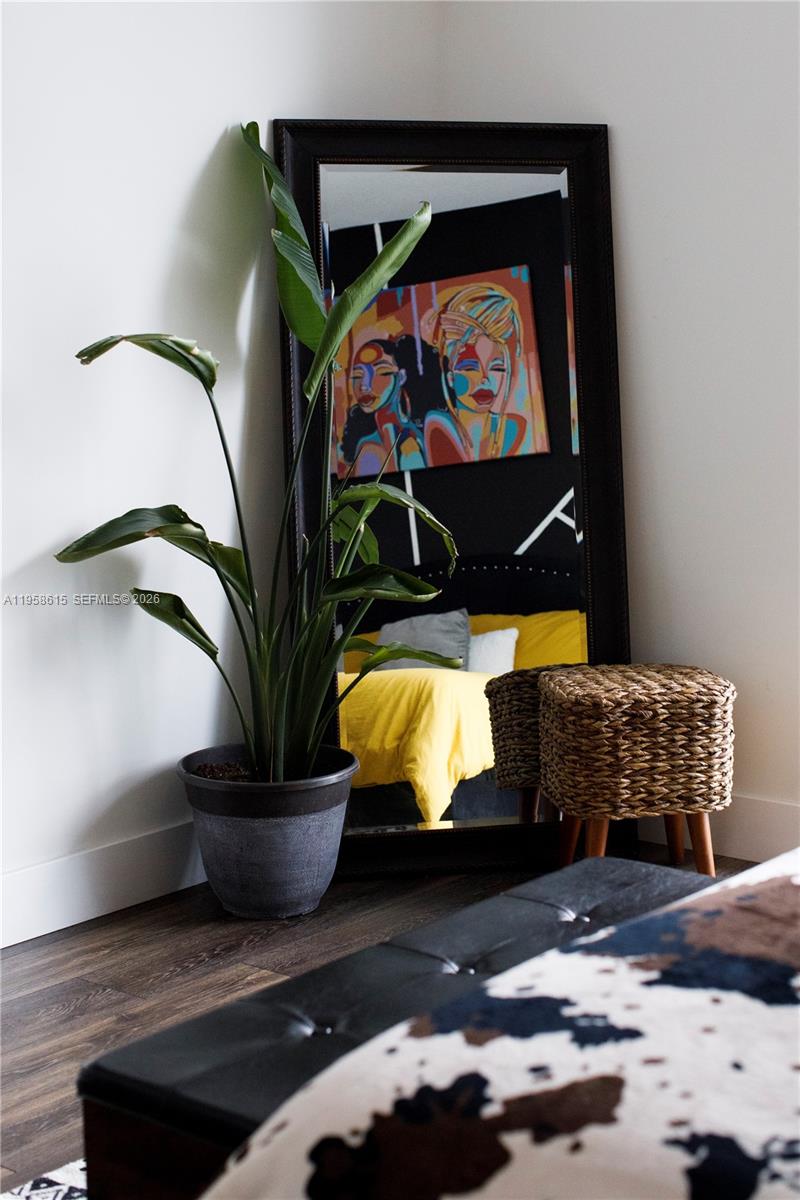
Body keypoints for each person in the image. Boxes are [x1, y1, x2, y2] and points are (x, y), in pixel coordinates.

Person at [425, 283, 527, 466]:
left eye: (497, 368)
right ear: (450, 377)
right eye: (470, 367)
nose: (485, 379)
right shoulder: (438, 425)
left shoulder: (515, 426)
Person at [339, 337, 426, 476]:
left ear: (401, 377)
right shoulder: (365, 445)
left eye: (382, 372)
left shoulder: (412, 440)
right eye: (357, 376)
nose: (364, 386)